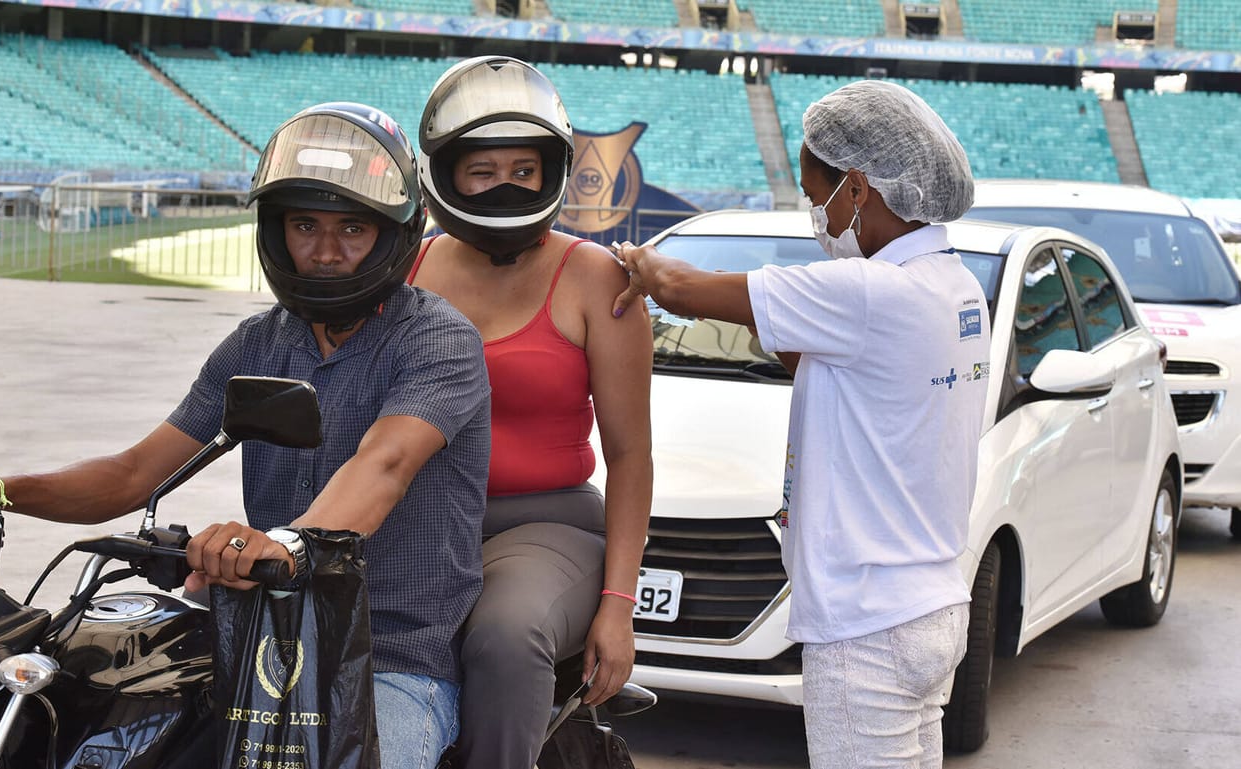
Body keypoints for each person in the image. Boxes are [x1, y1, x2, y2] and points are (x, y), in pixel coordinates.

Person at [0, 102, 491, 769]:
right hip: (257, 639)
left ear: (393, 235)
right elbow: (133, 472)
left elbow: (382, 466)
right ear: (277, 230)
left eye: (352, 227)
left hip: (388, 659)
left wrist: (283, 542)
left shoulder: (438, 343)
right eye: (305, 225)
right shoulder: (258, 343)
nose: (326, 251)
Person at [611, 80, 991, 768]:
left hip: (866, 626)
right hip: (932, 606)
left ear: (858, 188)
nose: (815, 214)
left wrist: (629, 259)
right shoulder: (955, 286)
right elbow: (831, 364)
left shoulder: (866, 292)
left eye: (816, 196)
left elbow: (680, 289)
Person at [408, 55, 653, 769]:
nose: (505, 184)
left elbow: (631, 455)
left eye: (524, 167)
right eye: (483, 170)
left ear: (552, 172)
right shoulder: (408, 269)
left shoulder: (597, 277)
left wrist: (618, 602)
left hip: (548, 524)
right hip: (421, 517)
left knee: (507, 634)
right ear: (447, 173)